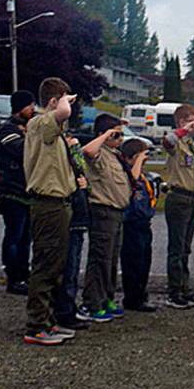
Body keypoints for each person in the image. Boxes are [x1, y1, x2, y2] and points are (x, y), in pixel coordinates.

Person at [22, 78, 78, 346]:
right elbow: (63, 112)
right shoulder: (39, 123)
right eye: (65, 99)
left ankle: (48, 321)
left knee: (56, 266)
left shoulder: (52, 129)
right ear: (54, 101)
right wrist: (64, 102)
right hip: (47, 204)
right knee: (45, 265)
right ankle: (36, 326)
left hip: (59, 203)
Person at [78, 114, 130, 323]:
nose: (120, 139)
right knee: (100, 259)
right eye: (116, 135)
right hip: (103, 211)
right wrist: (106, 134)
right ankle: (92, 303)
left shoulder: (114, 155)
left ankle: (106, 297)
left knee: (111, 259)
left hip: (116, 212)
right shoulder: (99, 153)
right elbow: (87, 151)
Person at [162, 103, 194, 310]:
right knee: (177, 247)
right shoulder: (177, 143)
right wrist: (184, 129)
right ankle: (174, 291)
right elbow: (168, 141)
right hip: (178, 197)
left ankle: (184, 288)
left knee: (185, 248)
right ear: (182, 122)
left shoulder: (192, 146)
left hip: (192, 198)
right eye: (192, 121)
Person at [0, 90, 36, 295]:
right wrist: (29, 135)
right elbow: (22, 150)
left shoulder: (26, 128)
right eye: (30, 106)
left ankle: (23, 274)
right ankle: (13, 277)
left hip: (27, 191)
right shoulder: (7, 129)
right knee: (14, 235)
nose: (33, 109)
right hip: (12, 191)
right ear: (20, 107)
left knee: (25, 238)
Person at [52, 130, 91, 330]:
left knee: (74, 266)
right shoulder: (59, 161)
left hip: (79, 216)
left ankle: (69, 306)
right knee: (67, 266)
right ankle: (63, 311)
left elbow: (81, 167)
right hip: (70, 216)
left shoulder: (74, 163)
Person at [120, 138, 157, 312]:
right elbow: (131, 181)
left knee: (144, 261)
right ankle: (132, 298)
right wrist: (138, 159)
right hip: (131, 223)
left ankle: (141, 294)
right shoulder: (127, 173)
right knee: (133, 263)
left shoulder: (143, 176)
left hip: (144, 222)